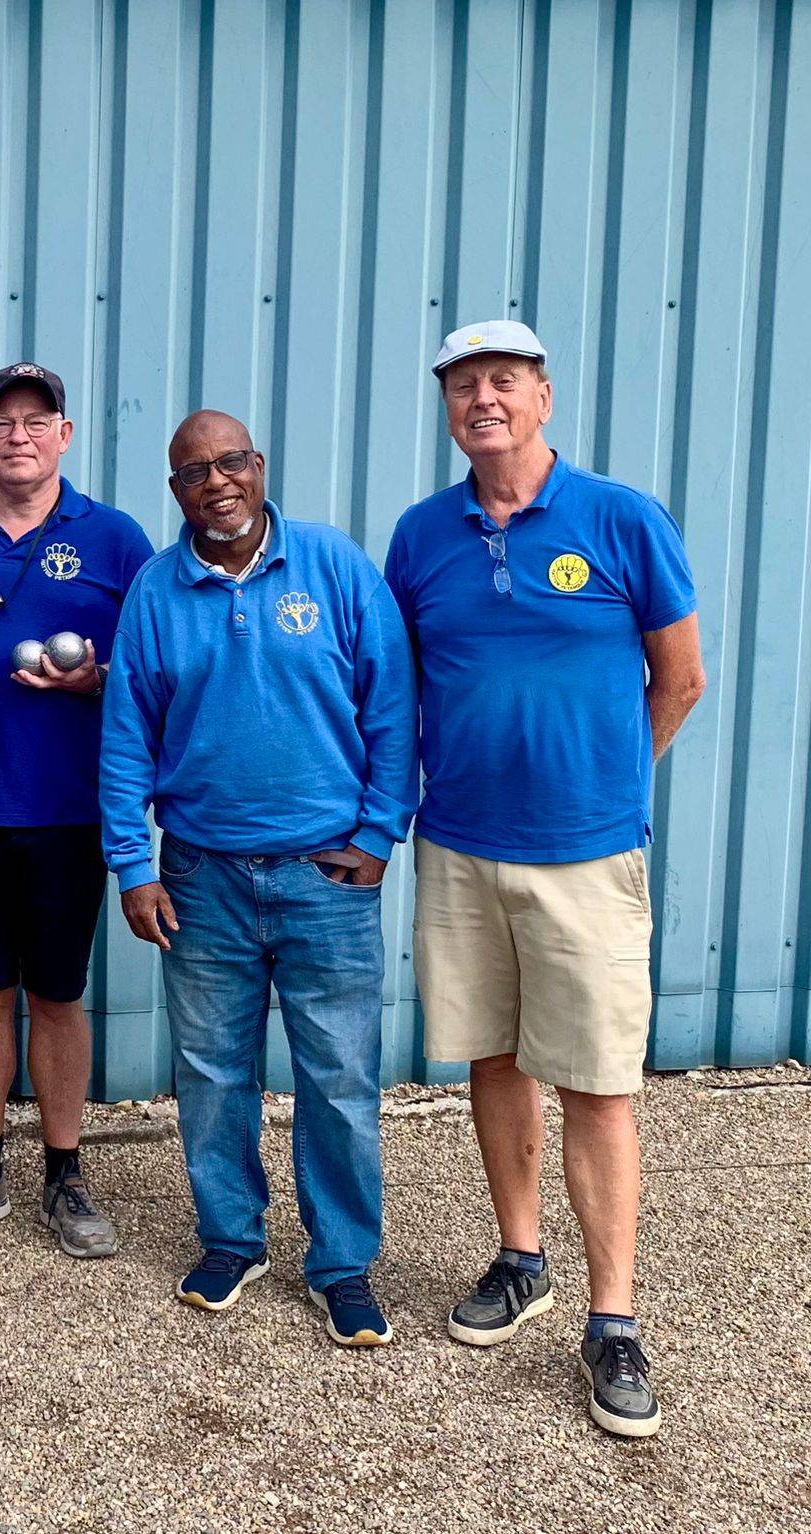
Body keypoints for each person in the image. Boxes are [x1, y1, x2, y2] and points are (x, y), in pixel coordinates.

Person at [385, 321, 706, 1437]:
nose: (482, 400)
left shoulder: (621, 518)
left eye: (503, 382)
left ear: (542, 398)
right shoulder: (421, 534)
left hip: (585, 855)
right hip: (459, 845)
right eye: (462, 386)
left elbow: (680, 677)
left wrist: (606, 786)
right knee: (492, 1055)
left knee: (598, 1083)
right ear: (447, 410)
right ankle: (521, 1259)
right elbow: (402, 686)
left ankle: (613, 1319)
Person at [100, 410, 416, 1348]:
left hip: (328, 875)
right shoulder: (156, 592)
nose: (217, 482)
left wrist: (380, 831)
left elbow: (393, 704)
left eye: (231, 461)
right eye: (195, 472)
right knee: (210, 1073)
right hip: (202, 876)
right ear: (176, 490)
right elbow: (126, 737)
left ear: (260, 464)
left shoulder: (333, 565)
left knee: (340, 1076)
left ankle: (343, 1264)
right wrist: (131, 864)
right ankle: (232, 1239)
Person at [0, 362, 155, 1258]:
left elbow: (153, 668)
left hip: (65, 809)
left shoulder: (114, 538)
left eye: (36, 420)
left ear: (64, 435)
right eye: (3, 421)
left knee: (56, 994)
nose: (19, 435)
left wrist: (97, 678)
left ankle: (65, 1172)